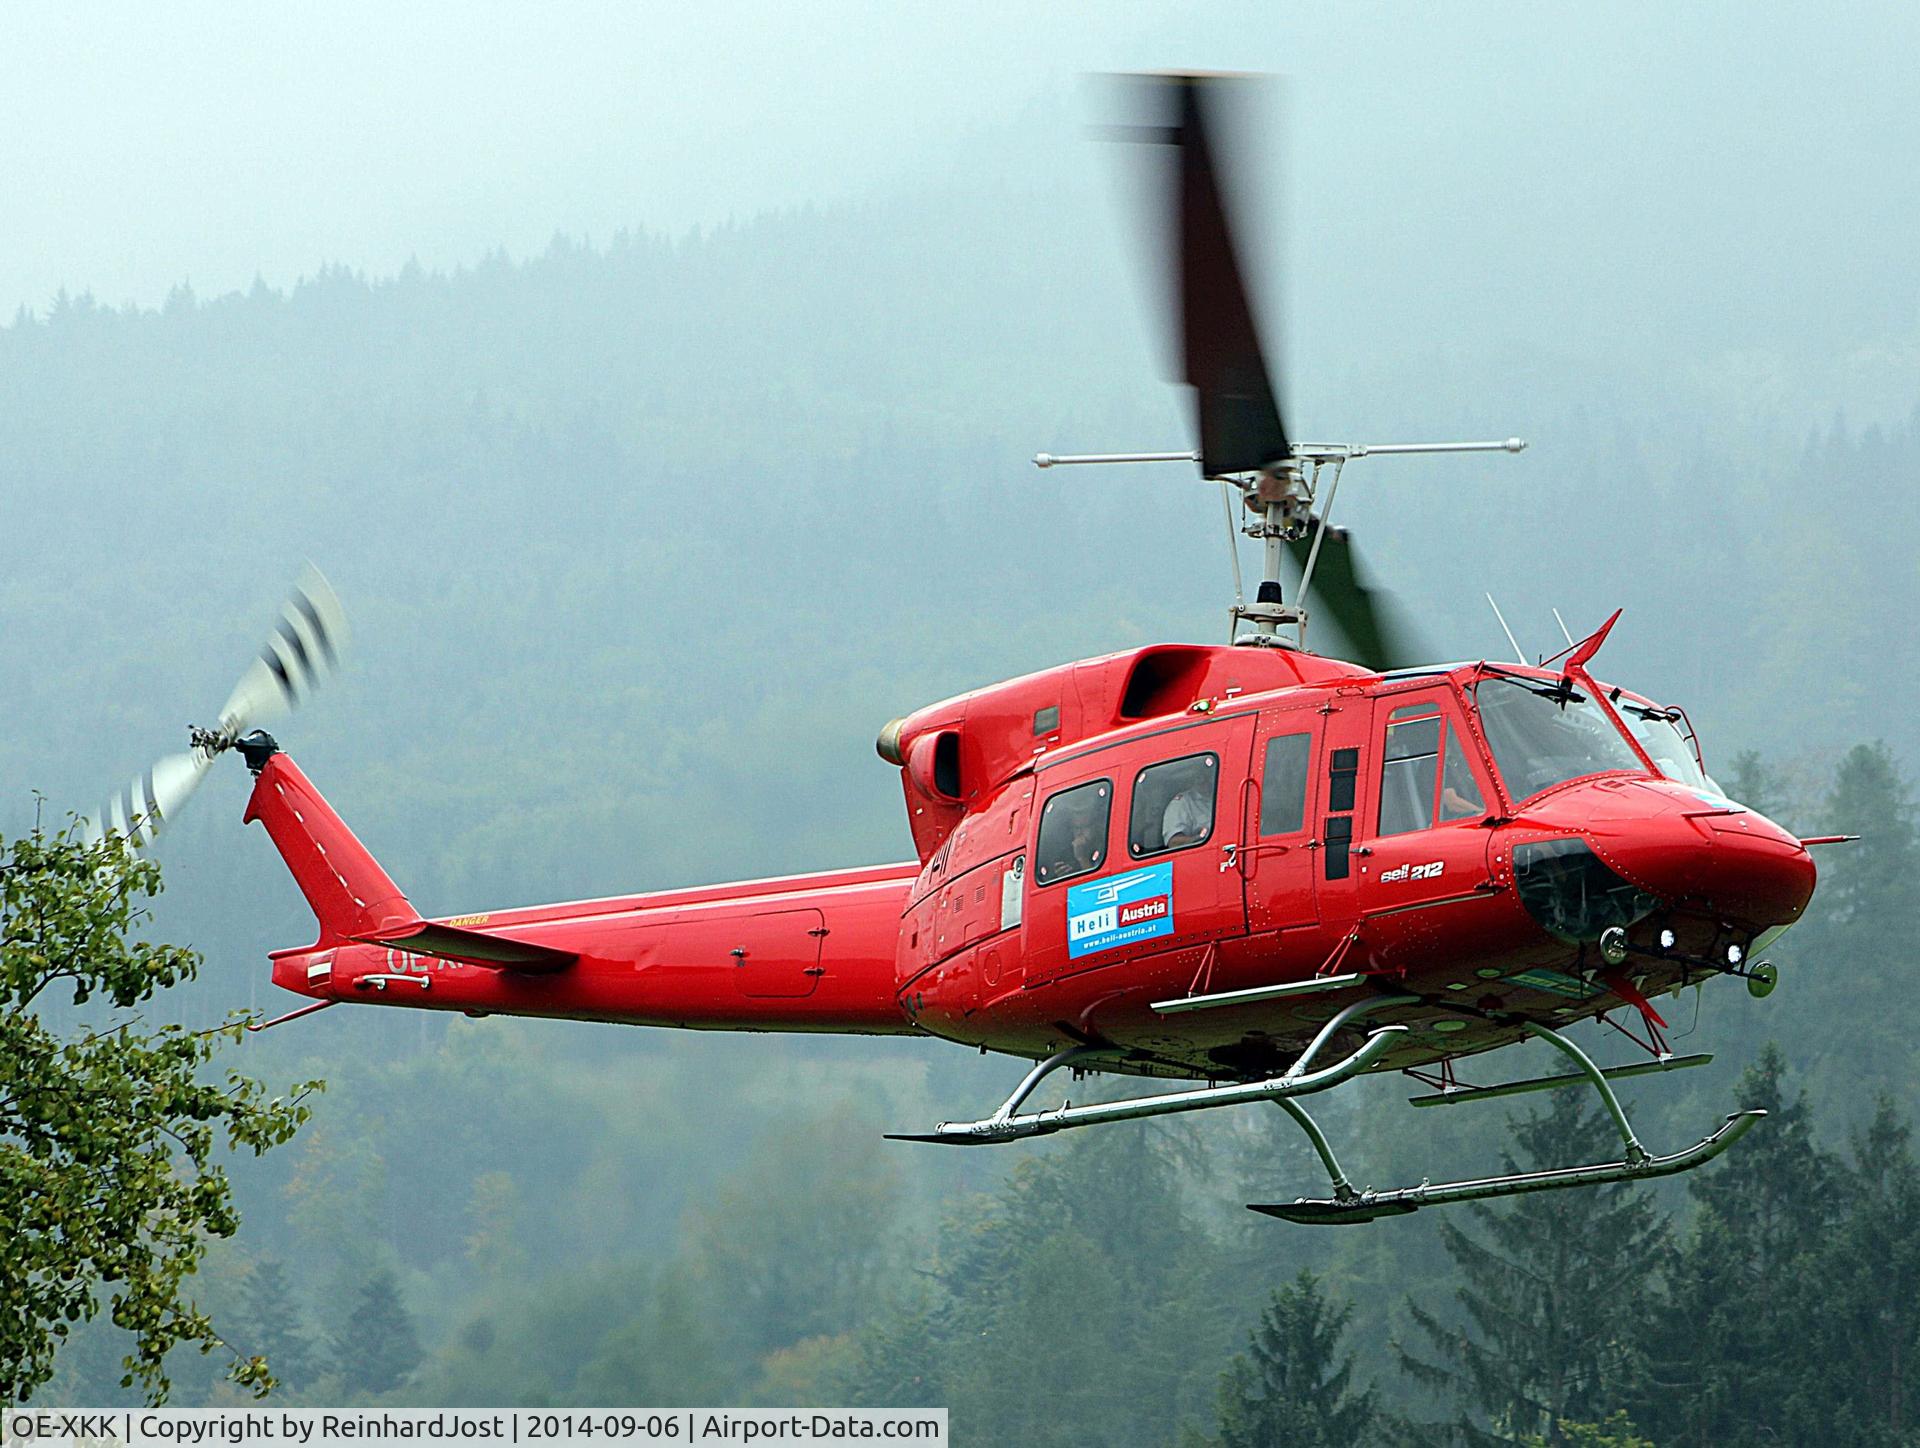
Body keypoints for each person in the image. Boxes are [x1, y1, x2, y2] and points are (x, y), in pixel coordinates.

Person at [1162, 782, 1210, 848]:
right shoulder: (1182, 803)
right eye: (1200, 775)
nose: (1204, 779)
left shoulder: (1225, 794)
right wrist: (1201, 839)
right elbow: (1174, 842)